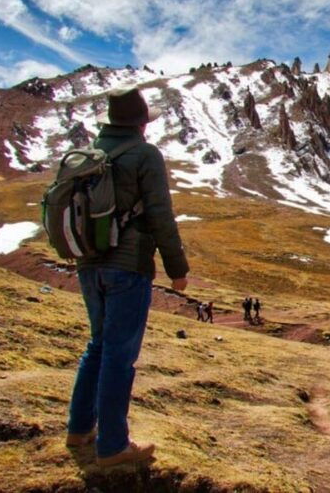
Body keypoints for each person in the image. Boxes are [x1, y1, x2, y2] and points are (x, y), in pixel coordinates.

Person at [65, 87, 189, 468]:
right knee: (120, 356)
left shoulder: (87, 155)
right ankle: (113, 446)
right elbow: (159, 215)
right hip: (127, 267)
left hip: (88, 265)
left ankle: (79, 429)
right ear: (141, 122)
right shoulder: (144, 154)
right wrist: (176, 268)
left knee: (98, 346)